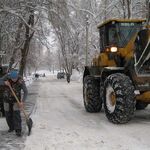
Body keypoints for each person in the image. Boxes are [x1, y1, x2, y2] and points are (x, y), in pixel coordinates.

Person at [0, 70, 28, 136]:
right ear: (10, 77)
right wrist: (4, 83)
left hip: (16, 100)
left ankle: (18, 130)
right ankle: (11, 127)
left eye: (15, 78)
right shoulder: (7, 77)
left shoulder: (21, 80)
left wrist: (22, 102)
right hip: (6, 99)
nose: (14, 80)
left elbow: (26, 92)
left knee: (16, 115)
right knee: (8, 115)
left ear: (17, 76)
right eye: (12, 79)